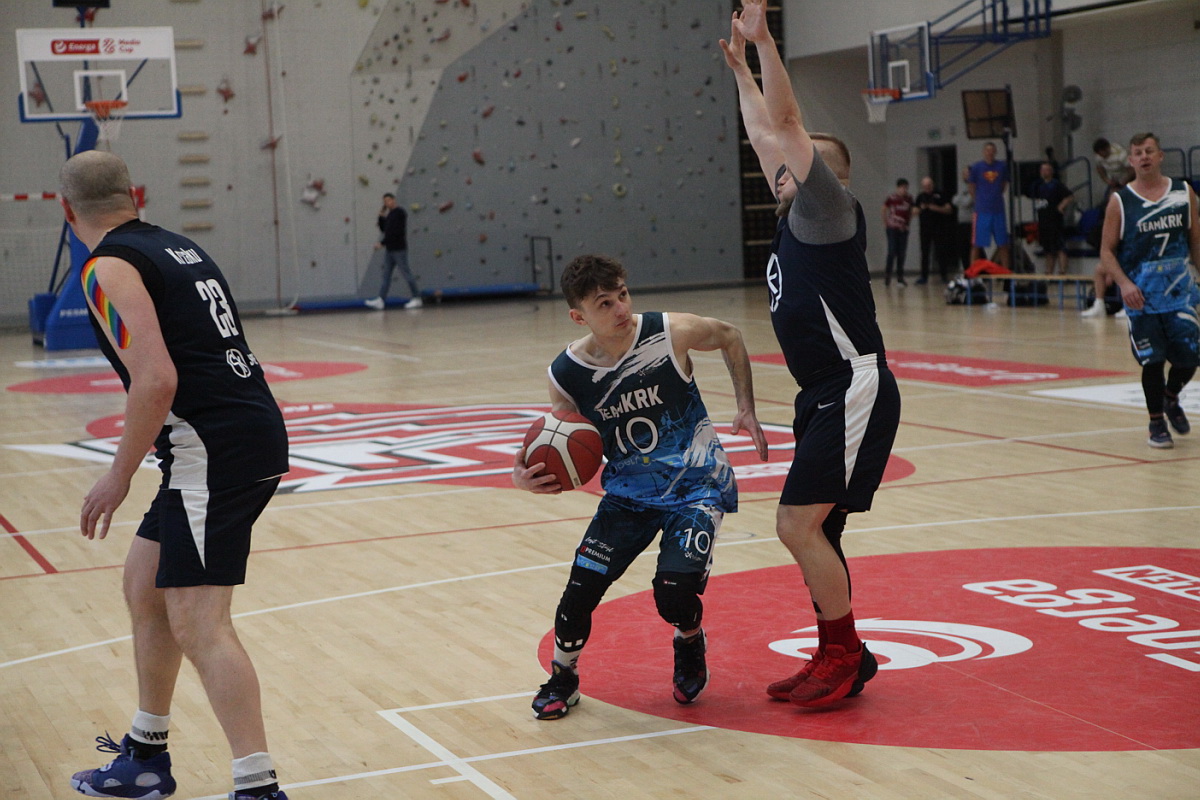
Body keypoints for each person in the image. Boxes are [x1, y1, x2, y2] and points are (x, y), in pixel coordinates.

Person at [60, 150, 290, 800]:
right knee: (145, 585)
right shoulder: (177, 248)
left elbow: (156, 379)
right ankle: (145, 756)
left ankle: (257, 788)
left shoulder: (105, 269)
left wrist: (118, 475)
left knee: (198, 622)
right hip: (233, 435)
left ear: (66, 211)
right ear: (134, 193)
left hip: (211, 450)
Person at [721, 0, 901, 708]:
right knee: (819, 529)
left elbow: (787, 125)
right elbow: (766, 131)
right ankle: (840, 653)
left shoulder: (828, 209)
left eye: (800, 162)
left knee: (795, 523)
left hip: (852, 383)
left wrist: (766, 42)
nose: (782, 164)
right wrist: (740, 69)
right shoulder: (793, 209)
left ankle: (844, 654)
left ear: (831, 176)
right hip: (823, 390)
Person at [512, 254, 768, 720]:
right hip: (628, 495)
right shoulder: (566, 373)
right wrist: (524, 474)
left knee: (673, 593)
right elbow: (564, 438)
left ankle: (689, 639)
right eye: (605, 303)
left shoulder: (669, 332)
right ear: (579, 316)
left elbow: (730, 335)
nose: (621, 309)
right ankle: (563, 677)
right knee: (579, 591)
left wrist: (745, 406)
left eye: (623, 295)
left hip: (696, 486)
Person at [1097, 132, 1200, 448]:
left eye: (1149, 151)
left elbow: (1196, 241)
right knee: (1152, 361)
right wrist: (1125, 284)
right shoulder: (1120, 201)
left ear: (1160, 156)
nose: (1144, 157)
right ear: (1130, 161)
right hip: (1141, 296)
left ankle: (1171, 396)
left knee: (1189, 358)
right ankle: (1156, 423)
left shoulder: (1183, 192)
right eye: (1138, 153)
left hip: (1180, 292)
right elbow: (1106, 252)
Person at [365, 192, 421, 310]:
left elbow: (394, 231)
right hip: (390, 250)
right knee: (386, 275)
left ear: (393, 200)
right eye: (384, 202)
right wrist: (381, 217)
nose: (386, 203)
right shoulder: (390, 214)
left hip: (399, 249)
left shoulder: (399, 213)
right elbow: (385, 229)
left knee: (406, 273)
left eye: (388, 200)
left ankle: (416, 298)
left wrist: (382, 243)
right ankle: (381, 300)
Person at [1024, 161, 1075, 275]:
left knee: (1059, 247)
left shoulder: (1056, 184)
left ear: (1051, 171)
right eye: (1042, 170)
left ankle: (1062, 270)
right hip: (1043, 221)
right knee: (1047, 249)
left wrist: (1061, 206)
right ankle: (1049, 271)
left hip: (1055, 220)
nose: (1044, 172)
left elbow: (1069, 196)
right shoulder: (1039, 186)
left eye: (1046, 170)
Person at [968, 141, 1011, 269]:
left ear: (995, 152)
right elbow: (971, 187)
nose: (990, 153)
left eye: (992, 150)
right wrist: (979, 200)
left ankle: (1006, 272)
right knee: (977, 244)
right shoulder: (976, 167)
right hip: (982, 211)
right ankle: (972, 273)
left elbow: (1003, 185)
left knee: (1003, 243)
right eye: (987, 150)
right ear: (983, 152)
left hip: (998, 210)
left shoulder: (1001, 166)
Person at [914, 176, 956, 283]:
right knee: (925, 252)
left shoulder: (940, 195)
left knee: (941, 252)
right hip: (925, 229)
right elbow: (914, 211)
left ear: (932, 185)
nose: (927, 188)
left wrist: (936, 208)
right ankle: (924, 276)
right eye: (925, 186)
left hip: (939, 228)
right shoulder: (920, 196)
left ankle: (944, 275)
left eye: (929, 185)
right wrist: (921, 208)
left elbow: (949, 209)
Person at [881, 178, 913, 287]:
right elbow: (884, 208)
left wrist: (908, 223)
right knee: (892, 251)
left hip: (903, 229)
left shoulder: (909, 199)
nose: (904, 190)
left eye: (906, 188)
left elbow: (911, 211)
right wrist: (885, 222)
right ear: (898, 188)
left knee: (901, 253)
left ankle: (900, 277)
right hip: (892, 228)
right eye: (902, 188)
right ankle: (887, 276)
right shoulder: (892, 198)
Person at [951, 166, 975, 273]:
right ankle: (967, 272)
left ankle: (979, 271)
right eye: (963, 173)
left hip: (971, 222)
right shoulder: (962, 188)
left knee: (974, 248)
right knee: (962, 248)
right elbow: (954, 200)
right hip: (961, 223)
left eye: (966, 173)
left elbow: (967, 202)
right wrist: (961, 199)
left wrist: (960, 200)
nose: (964, 175)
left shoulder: (974, 186)